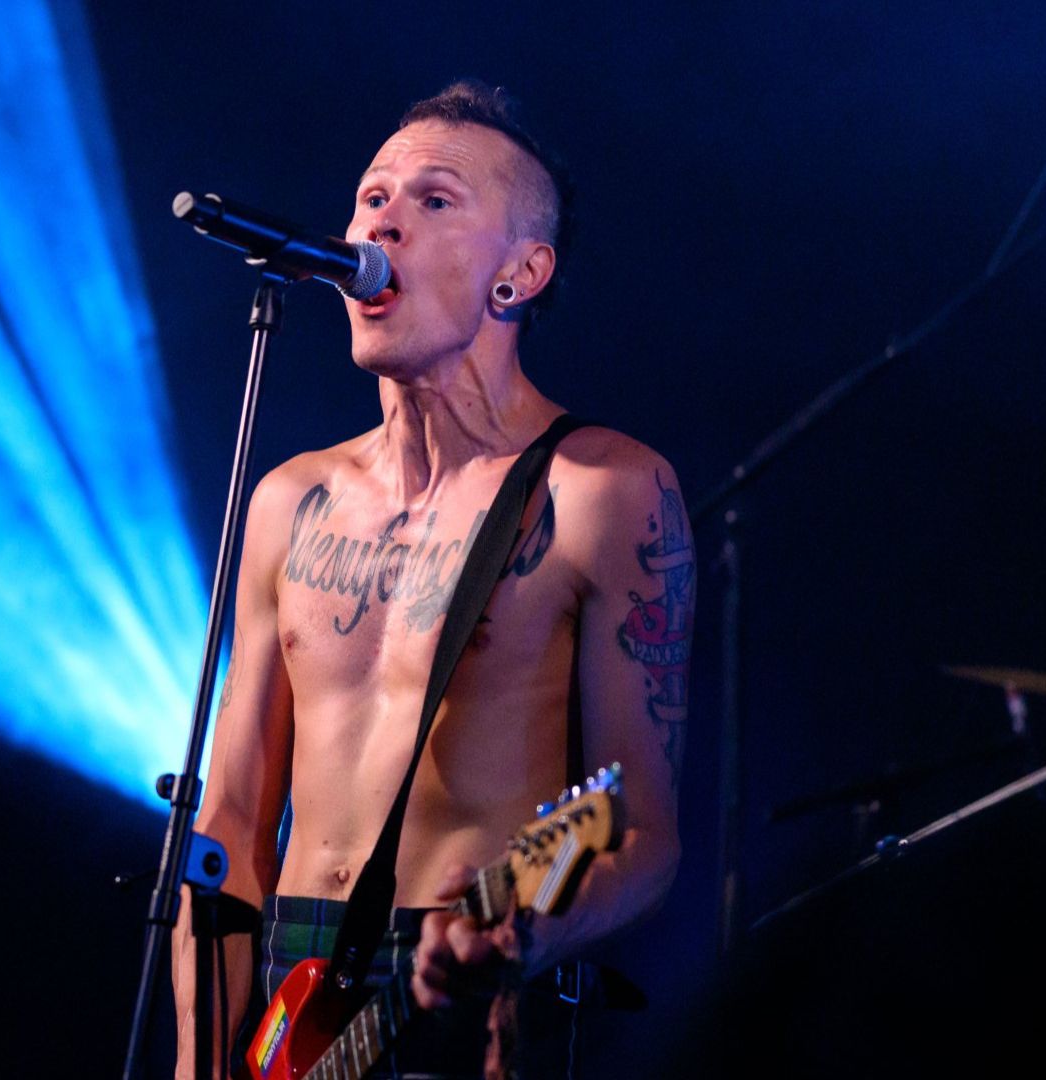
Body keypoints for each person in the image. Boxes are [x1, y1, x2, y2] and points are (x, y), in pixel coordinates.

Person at [172, 79, 690, 1079]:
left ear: (520, 275)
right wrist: (201, 1065)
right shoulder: (290, 499)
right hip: (289, 988)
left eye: (434, 200)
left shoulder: (605, 491)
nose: (382, 222)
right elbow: (230, 822)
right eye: (372, 197)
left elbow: (642, 836)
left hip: (466, 989)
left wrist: (531, 933)